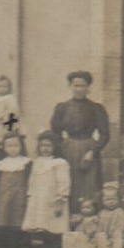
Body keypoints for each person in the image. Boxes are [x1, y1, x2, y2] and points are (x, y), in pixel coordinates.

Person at [50, 70, 110, 215]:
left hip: (89, 149)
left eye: (82, 85)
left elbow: (105, 135)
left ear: (88, 87)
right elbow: (55, 133)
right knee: (69, 184)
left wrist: (93, 152)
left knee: (90, 186)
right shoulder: (62, 107)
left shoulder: (96, 108)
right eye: (75, 85)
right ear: (70, 86)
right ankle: (68, 222)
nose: (79, 89)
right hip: (68, 149)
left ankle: (89, 222)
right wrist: (61, 151)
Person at [22, 129, 71, 248]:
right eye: (42, 145)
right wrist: (30, 197)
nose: (45, 149)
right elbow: (31, 182)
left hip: (53, 202)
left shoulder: (59, 163)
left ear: (55, 146)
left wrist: (60, 200)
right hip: (38, 203)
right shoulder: (36, 162)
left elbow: (64, 183)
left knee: (53, 233)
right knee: (39, 233)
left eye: (48, 145)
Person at [0, 130, 31, 248]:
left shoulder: (26, 163)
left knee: (21, 230)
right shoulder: (1, 165)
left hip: (20, 200)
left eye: (16, 145)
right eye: (9, 146)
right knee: (7, 230)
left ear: (21, 146)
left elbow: (30, 182)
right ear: (4, 148)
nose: (13, 149)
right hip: (6, 201)